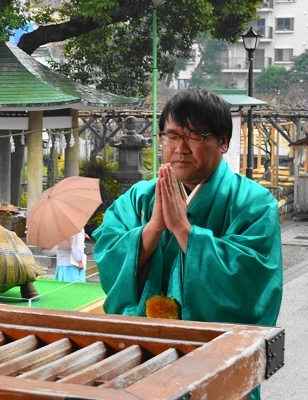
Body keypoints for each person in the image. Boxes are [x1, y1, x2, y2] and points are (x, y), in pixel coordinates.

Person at [93, 88, 283, 336]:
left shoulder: (254, 203)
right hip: (141, 339)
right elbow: (108, 254)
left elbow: (251, 284)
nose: (180, 148)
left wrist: (184, 231)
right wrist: (153, 229)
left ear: (223, 141)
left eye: (195, 136)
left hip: (216, 347)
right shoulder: (140, 197)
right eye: (171, 136)